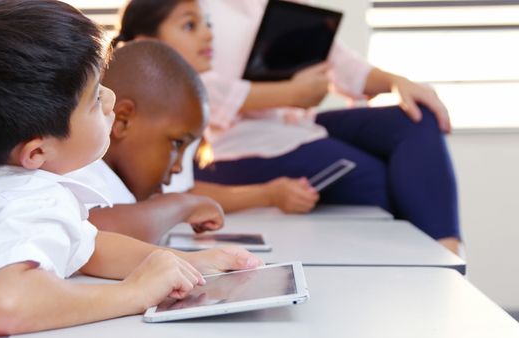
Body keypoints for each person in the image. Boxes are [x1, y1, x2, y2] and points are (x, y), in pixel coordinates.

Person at [0, 1, 263, 337]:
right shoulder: (33, 203)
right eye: (95, 98)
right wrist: (133, 293)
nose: (111, 100)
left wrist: (187, 265)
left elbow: (84, 244)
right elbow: (2, 307)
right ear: (36, 151)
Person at [113, 0, 461, 254]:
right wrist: (289, 93)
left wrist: (396, 80)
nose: (208, 35)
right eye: (195, 26)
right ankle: (431, 270)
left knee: (415, 121)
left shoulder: (269, 9)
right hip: (250, 141)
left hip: (297, 125)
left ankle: (448, 256)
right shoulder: (169, 64)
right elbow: (201, 92)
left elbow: (344, 64)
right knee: (383, 181)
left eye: (206, 25)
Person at [67, 40, 225, 243]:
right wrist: (181, 205)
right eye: (177, 143)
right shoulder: (81, 169)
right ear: (123, 121)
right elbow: (96, 233)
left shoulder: (119, 187)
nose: (178, 167)